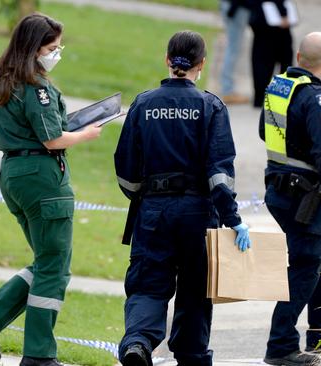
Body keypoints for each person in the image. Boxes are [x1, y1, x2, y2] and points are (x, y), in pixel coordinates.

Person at [0, 13, 102, 366]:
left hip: (13, 173)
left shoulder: (0, 79)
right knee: (55, 266)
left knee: (46, 260)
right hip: (42, 178)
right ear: (33, 48)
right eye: (52, 48)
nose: (56, 53)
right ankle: (39, 355)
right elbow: (52, 138)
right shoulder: (37, 87)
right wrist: (86, 133)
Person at [115, 31, 251, 366]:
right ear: (202, 64)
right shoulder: (210, 106)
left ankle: (137, 343)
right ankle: (191, 356)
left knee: (148, 284)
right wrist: (233, 220)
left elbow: (126, 169)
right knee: (194, 292)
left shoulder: (143, 104)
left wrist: (144, 196)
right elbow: (220, 174)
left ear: (167, 59)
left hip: (153, 212)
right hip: (198, 215)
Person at [258, 32, 321, 365]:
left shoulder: (278, 87)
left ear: (298, 56)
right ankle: (280, 345)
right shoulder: (316, 98)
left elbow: (263, 131)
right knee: (306, 266)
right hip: (302, 194)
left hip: (279, 189)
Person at [248, 0, 294, 108]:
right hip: (264, 37)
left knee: (285, 68)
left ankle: (282, 100)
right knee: (261, 70)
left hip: (283, 37)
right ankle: (260, 99)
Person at [219, 0, 251, 104]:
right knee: (233, 49)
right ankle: (227, 90)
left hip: (233, 6)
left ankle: (227, 88)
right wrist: (233, 7)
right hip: (236, 7)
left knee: (233, 49)